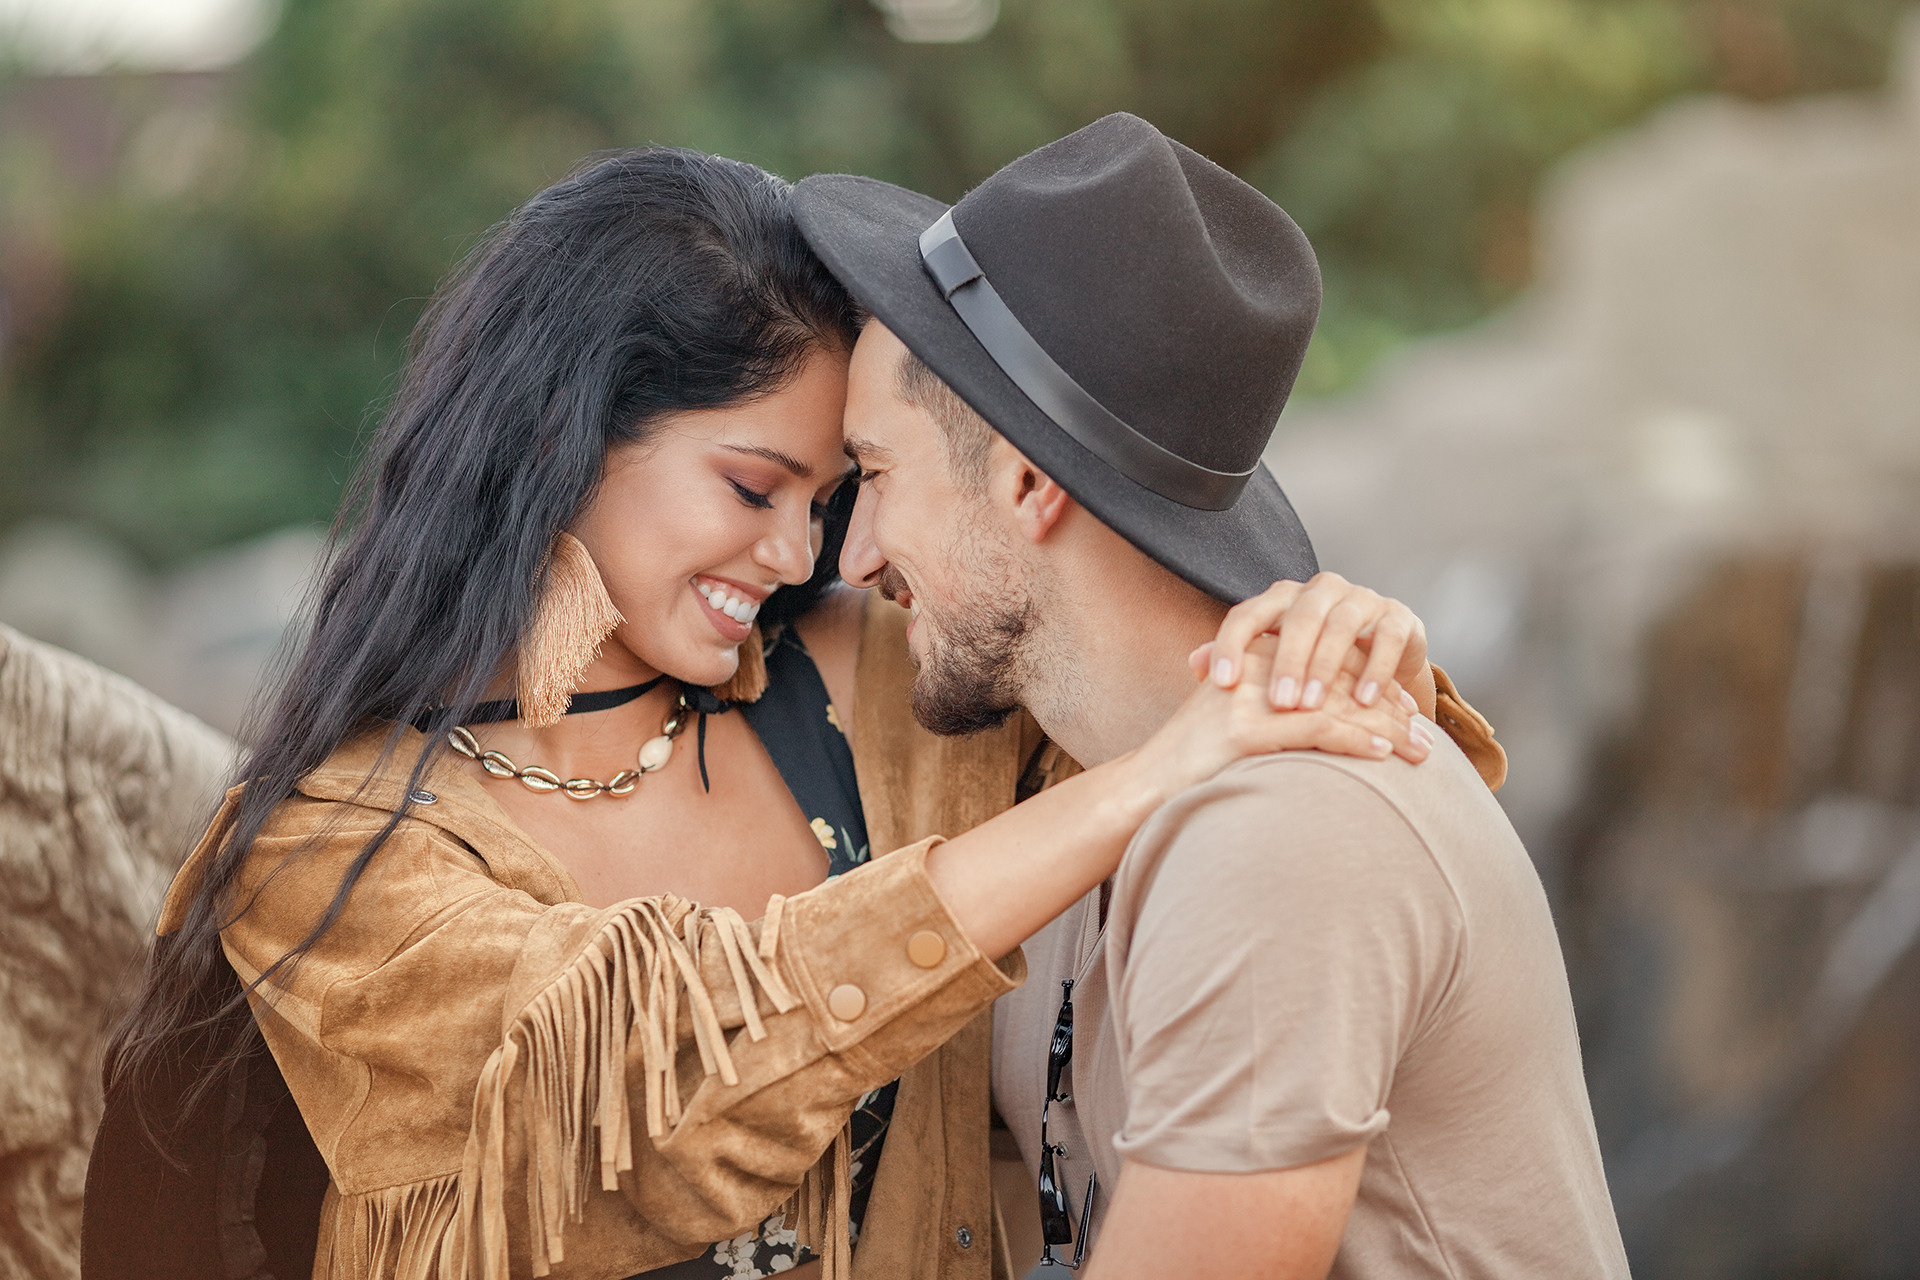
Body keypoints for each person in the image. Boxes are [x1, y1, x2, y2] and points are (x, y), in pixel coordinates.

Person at [80, 146, 1446, 1280]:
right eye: (751, 489)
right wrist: (1139, 786)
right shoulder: (329, 858)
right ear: (565, 437)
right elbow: (648, 1082)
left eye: (828, 496)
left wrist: (1311, 633)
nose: (800, 558)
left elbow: (1124, 642)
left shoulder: (881, 697)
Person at [794, 113, 1629, 1278]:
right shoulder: (1096, 777)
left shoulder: (1282, 833)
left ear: (1030, 479)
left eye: (875, 474)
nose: (853, 552)